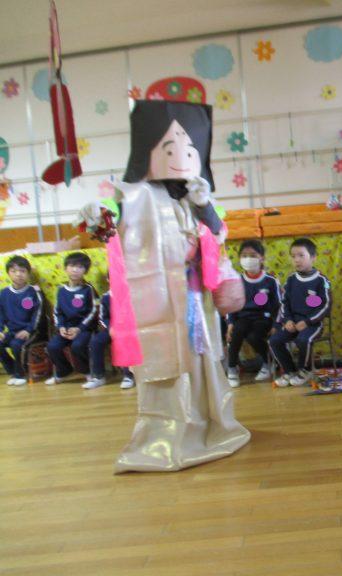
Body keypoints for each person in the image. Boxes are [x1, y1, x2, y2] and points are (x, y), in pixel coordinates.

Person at [78, 99, 250, 472]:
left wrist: (204, 205)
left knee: (201, 362)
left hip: (195, 298)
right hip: (155, 299)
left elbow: (218, 232)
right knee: (165, 367)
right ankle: (168, 435)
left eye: (189, 149)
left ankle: (209, 424)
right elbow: (109, 218)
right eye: (169, 149)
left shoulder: (197, 193)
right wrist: (99, 214)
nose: (181, 157)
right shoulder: (132, 194)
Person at [269, 237, 332, 387]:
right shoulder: (291, 280)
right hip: (293, 323)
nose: (297, 260)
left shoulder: (321, 280)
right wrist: (287, 320)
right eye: (293, 256)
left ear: (313, 257)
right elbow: (284, 303)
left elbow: (326, 306)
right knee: (274, 341)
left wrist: (308, 322)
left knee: (304, 339)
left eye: (301, 255)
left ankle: (306, 370)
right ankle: (290, 371)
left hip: (313, 325)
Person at [226, 239, 280, 387]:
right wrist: (230, 323)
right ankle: (232, 368)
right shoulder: (237, 280)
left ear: (261, 258)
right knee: (236, 331)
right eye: (244, 255)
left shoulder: (270, 281)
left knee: (254, 337)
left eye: (253, 255)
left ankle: (268, 362)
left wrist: (276, 325)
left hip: (263, 318)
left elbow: (278, 306)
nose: (248, 259)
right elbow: (231, 304)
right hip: (243, 317)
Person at [45, 252, 98, 386]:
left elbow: (93, 311)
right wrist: (61, 327)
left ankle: (87, 371)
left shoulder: (89, 289)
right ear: (65, 268)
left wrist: (79, 329)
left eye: (80, 267)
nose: (75, 270)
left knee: (77, 346)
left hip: (84, 329)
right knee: (52, 346)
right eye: (72, 266)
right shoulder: (61, 290)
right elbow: (58, 312)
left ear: (85, 270)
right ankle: (64, 371)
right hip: (66, 328)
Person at [0, 256, 46, 386]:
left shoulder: (34, 292)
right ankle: (13, 370)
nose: (18, 274)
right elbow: (0, 314)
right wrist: (0, 330)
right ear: (8, 273)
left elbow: (39, 314)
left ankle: (20, 374)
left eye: (22, 271)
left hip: (33, 331)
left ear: (28, 273)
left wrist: (28, 330)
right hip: (12, 331)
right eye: (14, 271)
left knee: (16, 344)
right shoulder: (3, 293)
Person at [84, 289, 135, 390]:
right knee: (96, 341)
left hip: (130, 328)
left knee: (124, 339)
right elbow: (103, 317)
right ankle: (98, 376)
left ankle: (128, 375)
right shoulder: (106, 296)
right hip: (112, 328)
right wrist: (110, 327)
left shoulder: (131, 292)